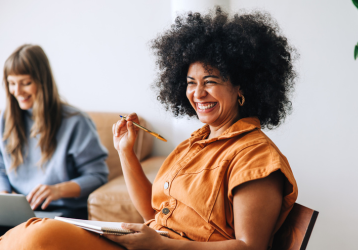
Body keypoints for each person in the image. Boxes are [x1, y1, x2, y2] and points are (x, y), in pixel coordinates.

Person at [0, 8, 298, 250]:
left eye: (210, 81)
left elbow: (250, 247)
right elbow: (151, 214)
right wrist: (125, 152)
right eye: (191, 83)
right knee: (32, 232)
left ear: (242, 88)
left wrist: (163, 246)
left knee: (36, 239)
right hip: (149, 243)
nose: (197, 93)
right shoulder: (195, 143)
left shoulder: (256, 157)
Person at [0, 44, 109, 221]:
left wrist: (57, 190)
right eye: (12, 84)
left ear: (42, 81)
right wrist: (4, 197)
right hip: (21, 213)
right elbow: (1, 167)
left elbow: (97, 176)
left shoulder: (76, 122)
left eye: (25, 83)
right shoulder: (6, 119)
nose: (17, 92)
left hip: (63, 213)